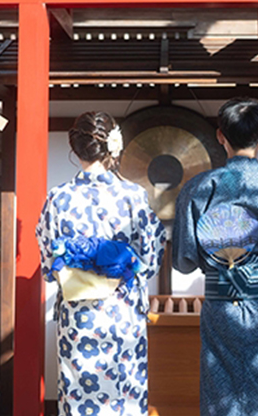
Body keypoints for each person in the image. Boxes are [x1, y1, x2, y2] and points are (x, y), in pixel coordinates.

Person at [172, 97, 258, 416]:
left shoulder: (199, 188)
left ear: (220, 136)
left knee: (220, 395)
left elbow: (183, 262)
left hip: (220, 308)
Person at [37, 111, 166, 416]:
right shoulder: (134, 197)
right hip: (122, 315)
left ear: (74, 147)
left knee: (79, 398)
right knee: (126, 397)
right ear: (113, 148)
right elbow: (150, 260)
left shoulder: (58, 198)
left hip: (78, 318)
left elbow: (47, 267)